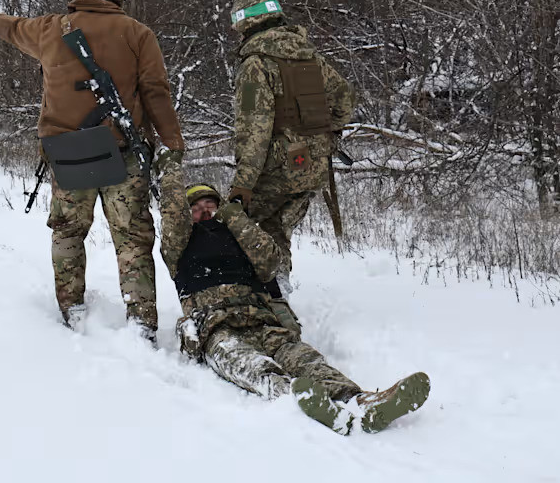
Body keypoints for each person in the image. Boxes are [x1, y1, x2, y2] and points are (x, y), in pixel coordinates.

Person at [0, 0, 185, 338]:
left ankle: (72, 310)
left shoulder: (50, 29)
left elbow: (13, 27)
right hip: (123, 153)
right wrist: (172, 143)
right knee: (132, 238)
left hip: (68, 154)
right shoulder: (138, 34)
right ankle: (141, 323)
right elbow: (155, 93)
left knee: (67, 232)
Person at [155, 148, 429, 435]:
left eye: (210, 204)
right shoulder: (179, 246)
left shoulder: (238, 237)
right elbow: (172, 215)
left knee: (305, 359)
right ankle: (301, 400)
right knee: (253, 367)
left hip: (261, 319)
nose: (204, 211)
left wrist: (235, 218)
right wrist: (170, 167)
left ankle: (360, 401)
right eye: (195, 208)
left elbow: (270, 260)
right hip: (215, 327)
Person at [226, 0, 356, 292]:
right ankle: (278, 288)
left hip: (277, 168)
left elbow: (253, 130)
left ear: (246, 22)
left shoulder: (255, 65)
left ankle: (251, 293)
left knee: (237, 227)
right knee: (277, 229)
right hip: (312, 166)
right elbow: (345, 100)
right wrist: (327, 133)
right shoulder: (311, 57)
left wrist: (243, 185)